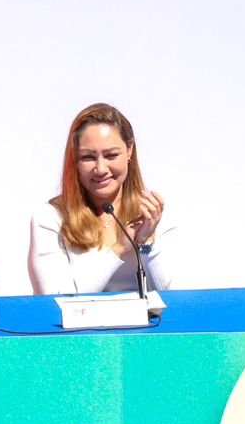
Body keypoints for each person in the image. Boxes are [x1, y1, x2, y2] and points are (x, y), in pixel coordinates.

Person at [29, 103, 174, 295]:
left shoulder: (152, 213)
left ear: (129, 150)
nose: (101, 169)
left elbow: (175, 298)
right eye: (88, 157)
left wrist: (147, 242)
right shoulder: (50, 218)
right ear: (75, 159)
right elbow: (54, 299)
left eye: (111, 155)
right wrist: (119, 249)